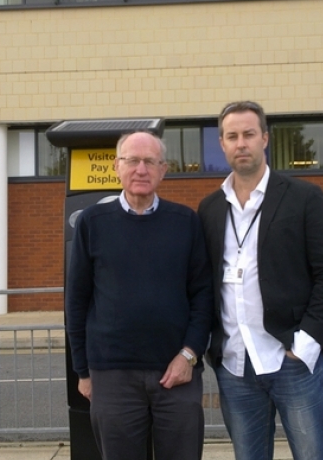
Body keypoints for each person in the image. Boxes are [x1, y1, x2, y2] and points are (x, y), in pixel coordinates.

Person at [197, 101, 323, 460]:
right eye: (232, 136)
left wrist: (307, 343)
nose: (241, 143)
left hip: (291, 360)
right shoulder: (210, 208)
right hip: (234, 365)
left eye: (249, 134)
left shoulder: (303, 198)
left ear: (264, 138)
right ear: (222, 143)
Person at [65, 130, 213, 460]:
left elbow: (203, 295)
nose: (141, 169)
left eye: (150, 161)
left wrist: (189, 354)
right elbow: (76, 300)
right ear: (117, 166)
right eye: (132, 160)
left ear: (164, 169)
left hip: (177, 373)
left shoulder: (185, 222)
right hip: (112, 375)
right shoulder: (93, 222)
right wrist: (83, 372)